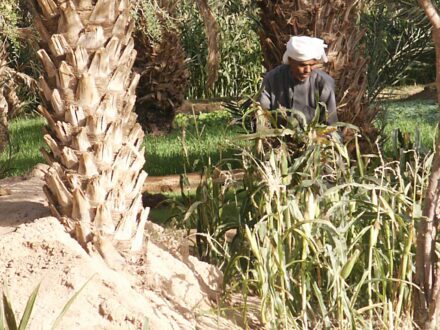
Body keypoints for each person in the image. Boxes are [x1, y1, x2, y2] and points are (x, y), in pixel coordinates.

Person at [259, 36, 338, 126]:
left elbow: (331, 124)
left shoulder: (324, 84)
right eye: (302, 65)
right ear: (290, 60)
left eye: (312, 65)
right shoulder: (272, 79)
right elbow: (262, 115)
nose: (307, 70)